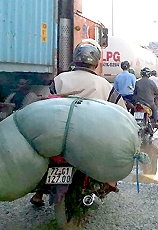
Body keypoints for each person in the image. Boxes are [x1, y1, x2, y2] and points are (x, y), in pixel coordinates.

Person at [31, 39, 125, 207]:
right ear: (96, 61)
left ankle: (39, 193)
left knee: (44, 156)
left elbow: (45, 105)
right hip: (90, 137)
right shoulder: (104, 85)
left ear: (75, 58)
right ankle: (108, 183)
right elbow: (121, 112)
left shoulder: (60, 79)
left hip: (57, 134)